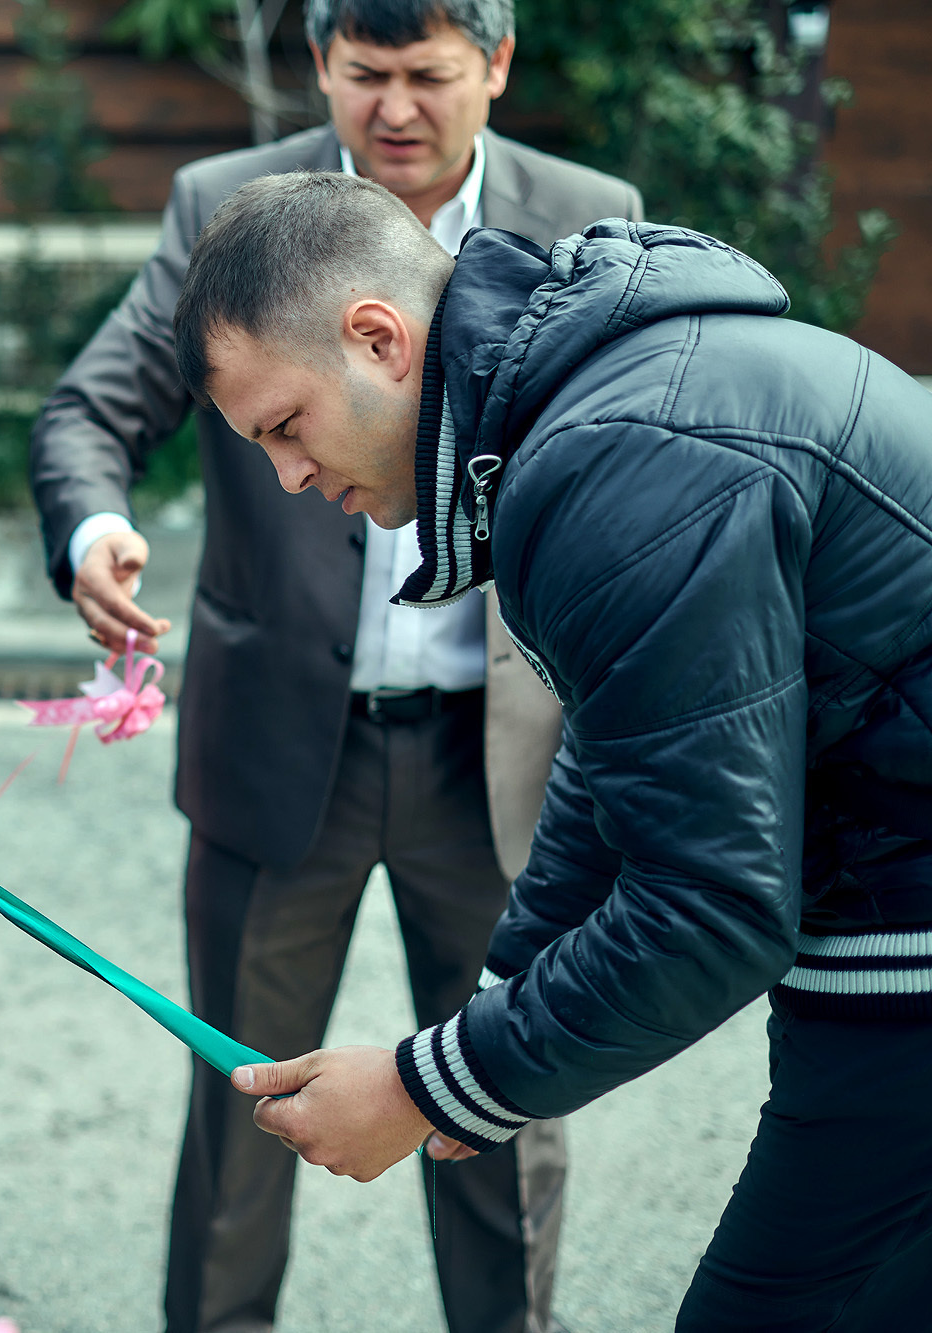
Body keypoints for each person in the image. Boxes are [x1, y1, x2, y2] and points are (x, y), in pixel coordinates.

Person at [176, 170, 932, 1331]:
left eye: (284, 427)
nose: (286, 478)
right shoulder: (578, 410)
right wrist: (486, 1005)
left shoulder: (615, 461)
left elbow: (710, 905)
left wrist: (429, 1084)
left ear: (375, 339)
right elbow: (617, 741)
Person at [29, 2, 638, 1329]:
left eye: (430, 76)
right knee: (241, 1113)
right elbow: (95, 405)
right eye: (368, 77)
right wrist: (93, 526)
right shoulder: (222, 206)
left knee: (499, 1114)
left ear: (497, 67)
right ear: (320, 67)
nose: (399, 110)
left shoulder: (588, 214)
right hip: (280, 743)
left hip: (498, 755)